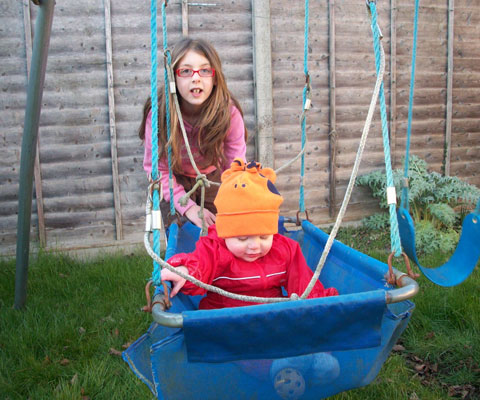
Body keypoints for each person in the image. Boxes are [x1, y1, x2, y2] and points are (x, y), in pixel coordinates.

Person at [161, 158, 338, 309]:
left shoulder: (285, 250)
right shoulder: (215, 247)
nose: (254, 246)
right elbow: (201, 263)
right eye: (242, 238)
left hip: (268, 315)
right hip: (225, 319)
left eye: (264, 236)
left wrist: (320, 306)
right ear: (225, 233)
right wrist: (185, 271)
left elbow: (303, 284)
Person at [139, 37, 247, 228]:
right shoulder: (159, 115)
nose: (196, 77)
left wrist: (235, 197)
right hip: (173, 180)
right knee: (181, 236)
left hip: (214, 178)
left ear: (215, 78)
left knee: (218, 233)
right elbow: (158, 171)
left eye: (204, 70)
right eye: (186, 71)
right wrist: (187, 207)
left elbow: (235, 165)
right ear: (173, 77)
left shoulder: (228, 113)